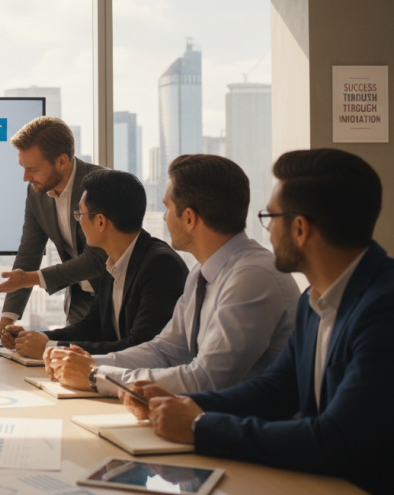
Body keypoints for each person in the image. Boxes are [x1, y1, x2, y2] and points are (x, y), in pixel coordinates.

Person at [121, 149, 392, 495]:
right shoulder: (315, 301)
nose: (266, 230)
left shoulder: (384, 308)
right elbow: (276, 389)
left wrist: (200, 426)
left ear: (300, 228)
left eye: (270, 216)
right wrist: (188, 405)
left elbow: (336, 439)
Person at [46, 155, 300, 395]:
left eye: (167, 208)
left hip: (243, 431)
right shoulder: (202, 272)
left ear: (189, 218)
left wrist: (96, 376)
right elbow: (164, 351)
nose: (164, 218)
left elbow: (206, 379)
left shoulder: (251, 277)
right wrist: (82, 362)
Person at [1, 169, 187, 359]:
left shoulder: (161, 266)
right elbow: (90, 328)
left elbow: (140, 348)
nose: (79, 220)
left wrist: (50, 347)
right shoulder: (111, 262)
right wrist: (35, 338)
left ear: (100, 222)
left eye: (79, 213)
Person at [0, 117, 109, 336]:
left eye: (33, 169)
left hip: (116, 299)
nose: (26, 178)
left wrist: (32, 278)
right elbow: (29, 253)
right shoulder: (37, 192)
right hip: (80, 302)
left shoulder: (102, 185)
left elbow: (96, 259)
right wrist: (5, 322)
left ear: (62, 161)